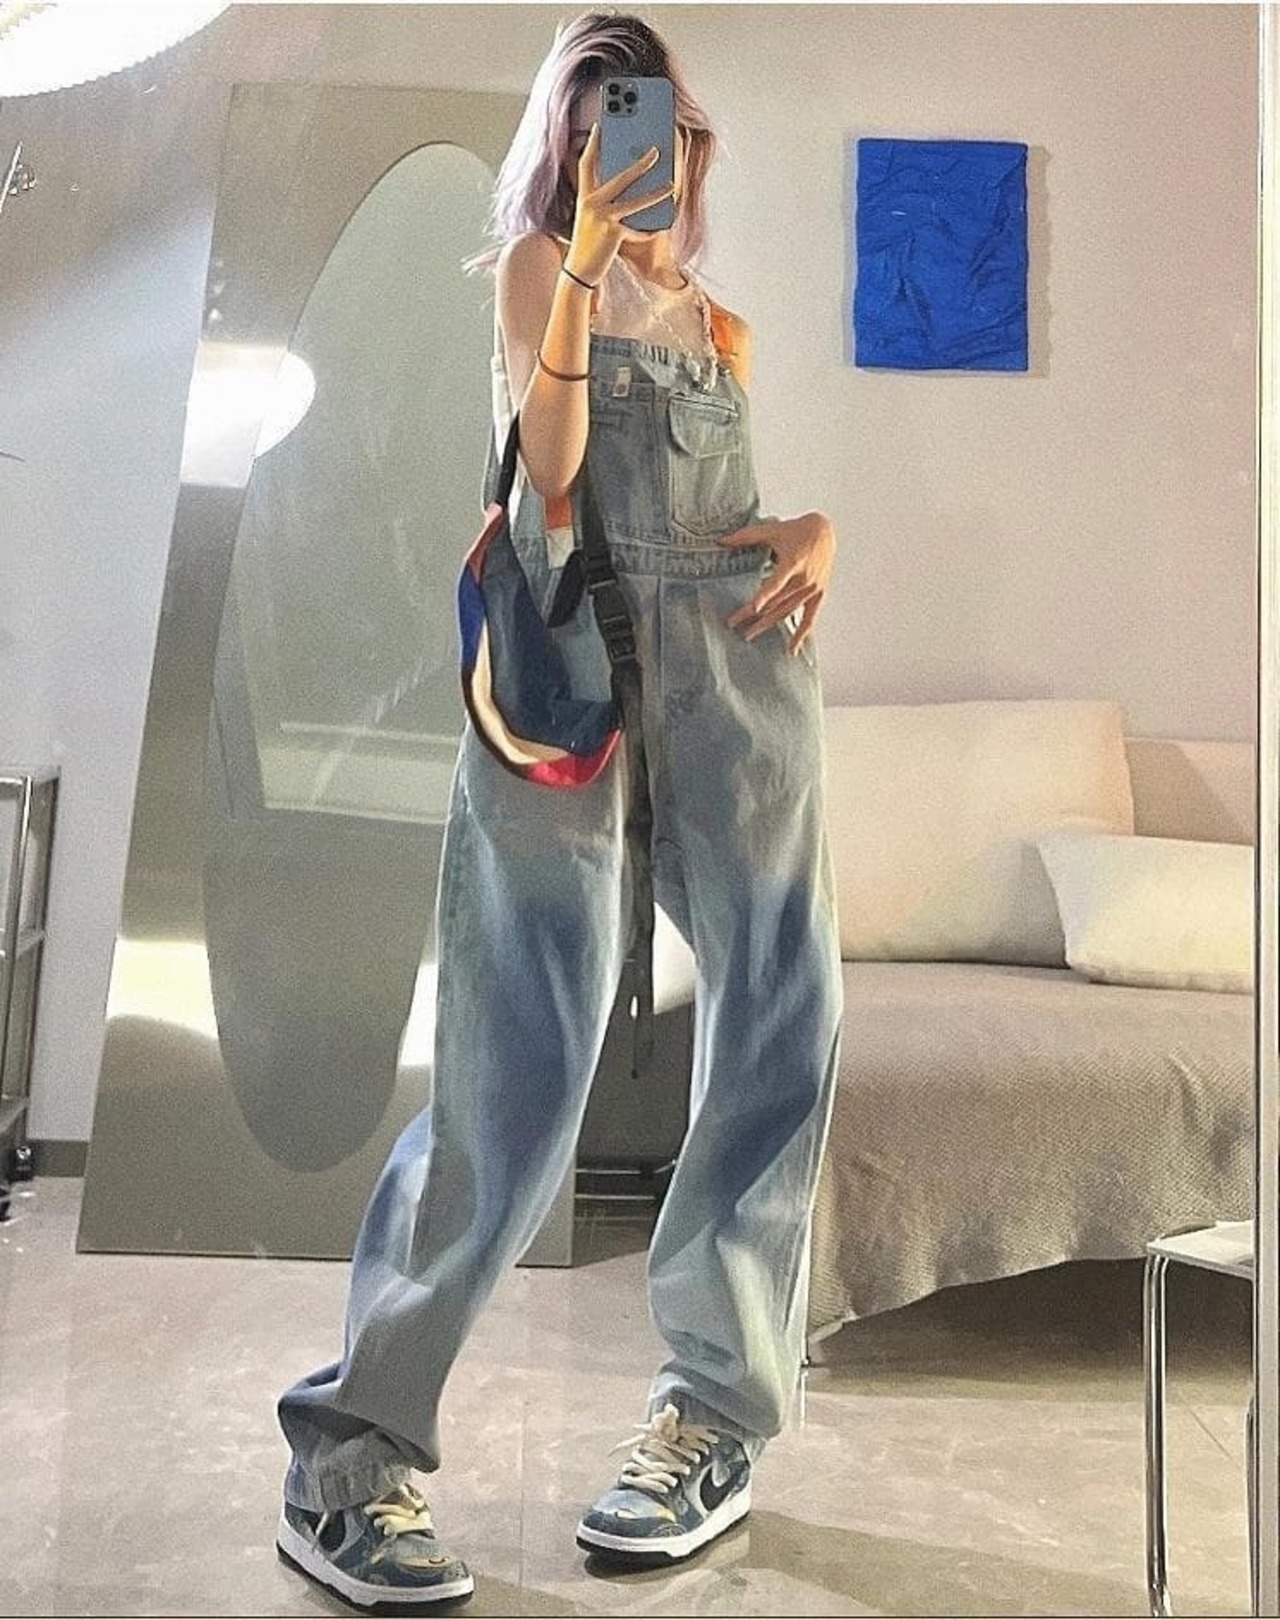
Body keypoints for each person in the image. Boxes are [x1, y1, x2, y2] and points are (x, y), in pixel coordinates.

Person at [273, 10, 844, 1611]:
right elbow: (553, 473)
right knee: (514, 1062)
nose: (625, 155)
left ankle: (710, 1420)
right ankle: (349, 1458)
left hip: (733, 675)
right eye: (594, 131)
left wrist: (821, 533)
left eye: (647, 126)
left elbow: (730, 519)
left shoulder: (722, 327)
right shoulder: (540, 270)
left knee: (783, 1017)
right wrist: (586, 258)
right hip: (563, 675)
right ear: (567, 149)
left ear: (689, 142)